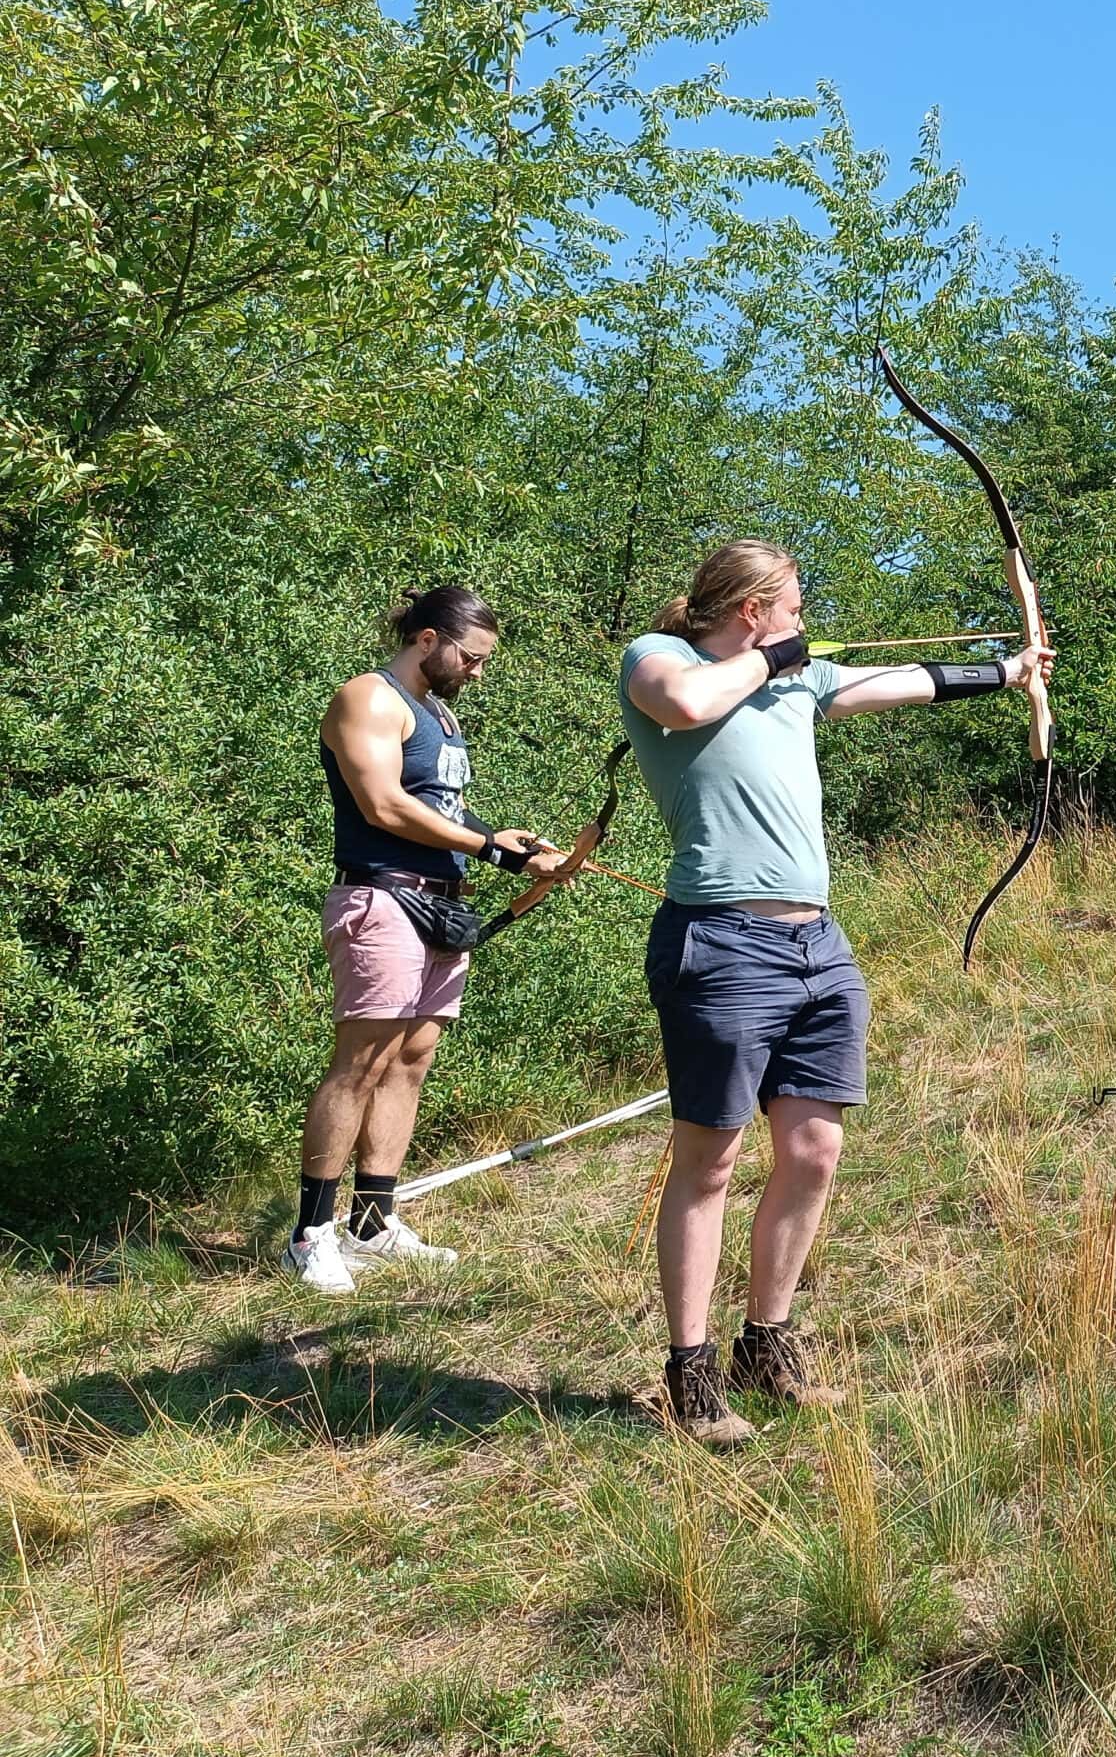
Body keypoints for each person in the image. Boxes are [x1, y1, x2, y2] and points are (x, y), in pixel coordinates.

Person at [621, 539, 1052, 1446]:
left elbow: (908, 682)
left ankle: (766, 1346)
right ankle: (690, 1375)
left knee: (814, 1150)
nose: (805, 622)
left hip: (818, 943)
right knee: (711, 1162)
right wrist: (776, 659)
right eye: (795, 606)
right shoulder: (662, 663)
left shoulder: (797, 680)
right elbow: (689, 703)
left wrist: (1010, 672)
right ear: (753, 610)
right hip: (721, 942)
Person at [287, 586, 572, 1294]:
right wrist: (491, 849)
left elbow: (436, 805)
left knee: (411, 1060)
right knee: (361, 1061)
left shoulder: (438, 714)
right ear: (427, 639)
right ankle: (311, 1234)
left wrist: (502, 838)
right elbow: (383, 804)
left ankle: (373, 1224)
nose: (477, 672)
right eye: (471, 658)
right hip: (381, 897)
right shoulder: (368, 697)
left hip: (442, 906)